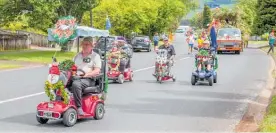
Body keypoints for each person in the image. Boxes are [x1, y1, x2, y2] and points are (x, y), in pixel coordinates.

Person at [72, 37, 102, 115]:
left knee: (76, 84)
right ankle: (58, 102)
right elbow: (71, 66)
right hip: (75, 76)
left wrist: (87, 74)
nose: (84, 46)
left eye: (86, 44)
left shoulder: (95, 56)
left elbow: (97, 70)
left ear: (91, 46)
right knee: (60, 81)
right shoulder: (77, 56)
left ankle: (79, 107)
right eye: (83, 44)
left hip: (88, 79)